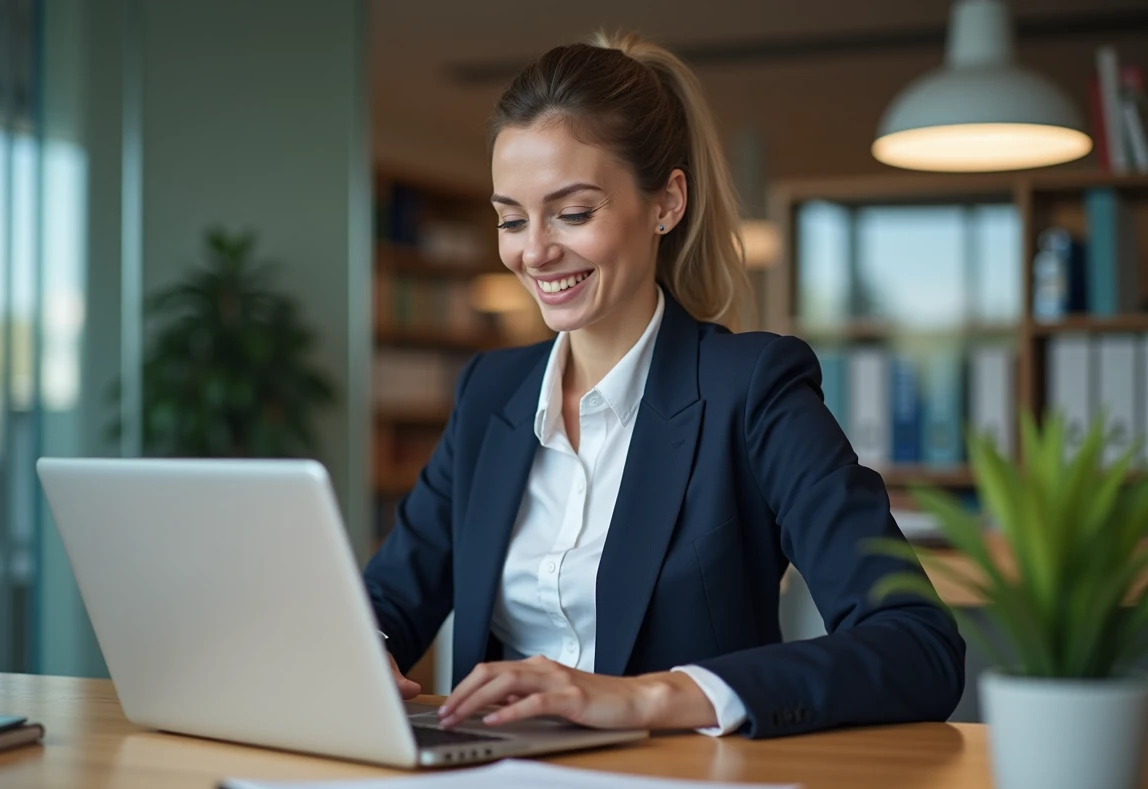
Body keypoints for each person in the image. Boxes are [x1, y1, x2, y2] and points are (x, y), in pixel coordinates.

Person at [364, 30, 965, 738]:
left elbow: (919, 644)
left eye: (574, 212)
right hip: (497, 773)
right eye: (511, 219)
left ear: (666, 203)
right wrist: (362, 654)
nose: (534, 250)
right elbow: (390, 598)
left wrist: (649, 698)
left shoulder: (753, 389)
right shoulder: (490, 392)